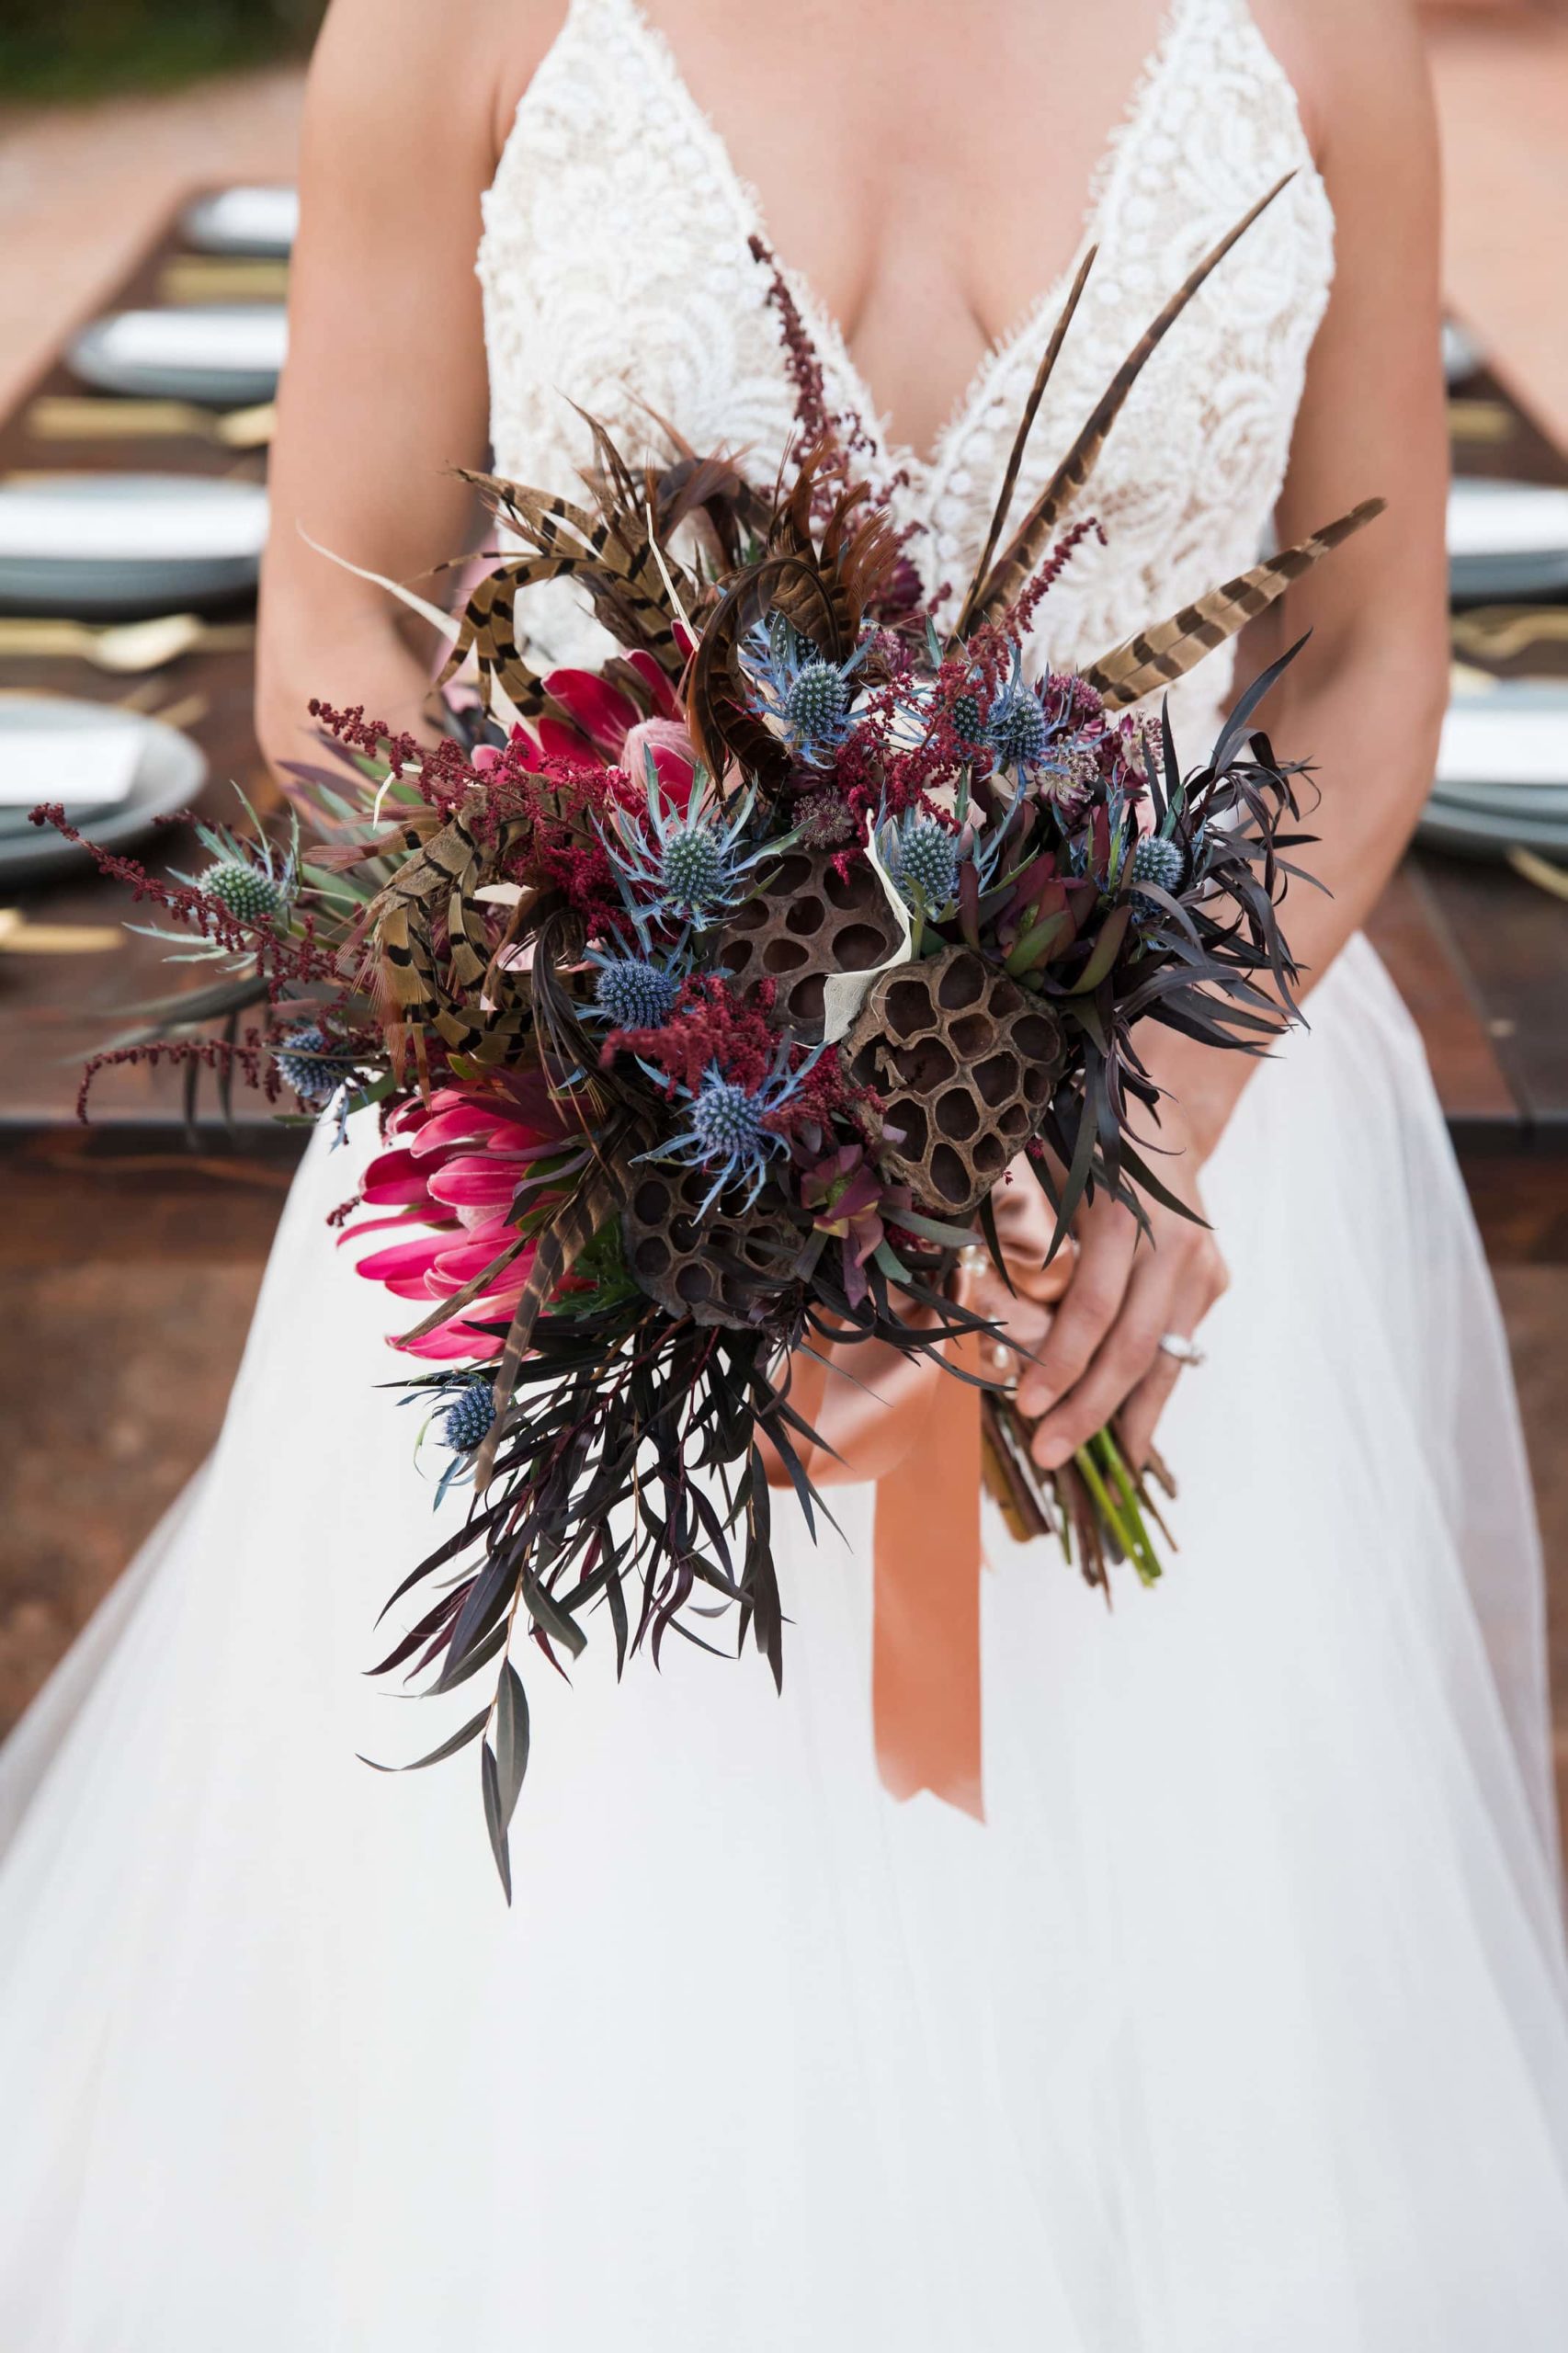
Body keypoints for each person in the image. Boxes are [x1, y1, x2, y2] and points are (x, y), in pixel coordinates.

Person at [4, 1, 1566, 2343]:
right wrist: (609, 1073)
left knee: (1186, 2088)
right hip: (603, 1166)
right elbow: (335, 630)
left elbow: (1358, 665)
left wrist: (1150, 1110)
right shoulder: (451, 21)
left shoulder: (1324, 29)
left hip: (1149, 1188)